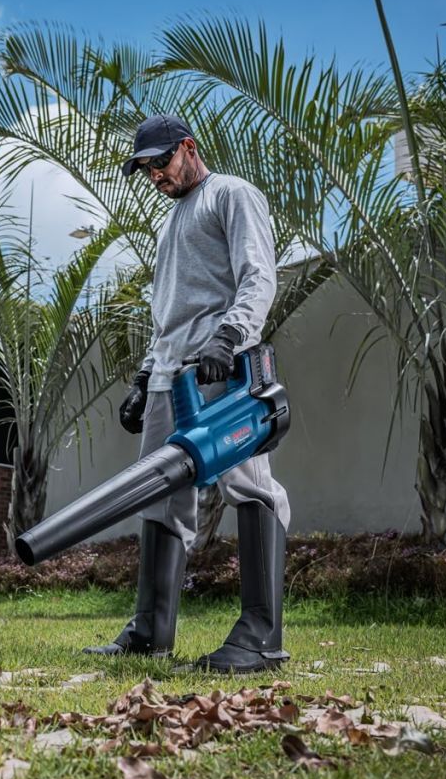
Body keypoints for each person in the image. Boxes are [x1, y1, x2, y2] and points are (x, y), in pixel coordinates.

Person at [83, 114, 293, 674]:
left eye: (161, 162)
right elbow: (168, 311)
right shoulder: (172, 221)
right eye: (145, 169)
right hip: (169, 376)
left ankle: (261, 638)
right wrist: (143, 376)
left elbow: (259, 276)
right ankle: (150, 631)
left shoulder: (231, 195)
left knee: (249, 485)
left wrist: (229, 336)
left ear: (189, 148)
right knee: (160, 495)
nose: (155, 175)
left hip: (221, 368)